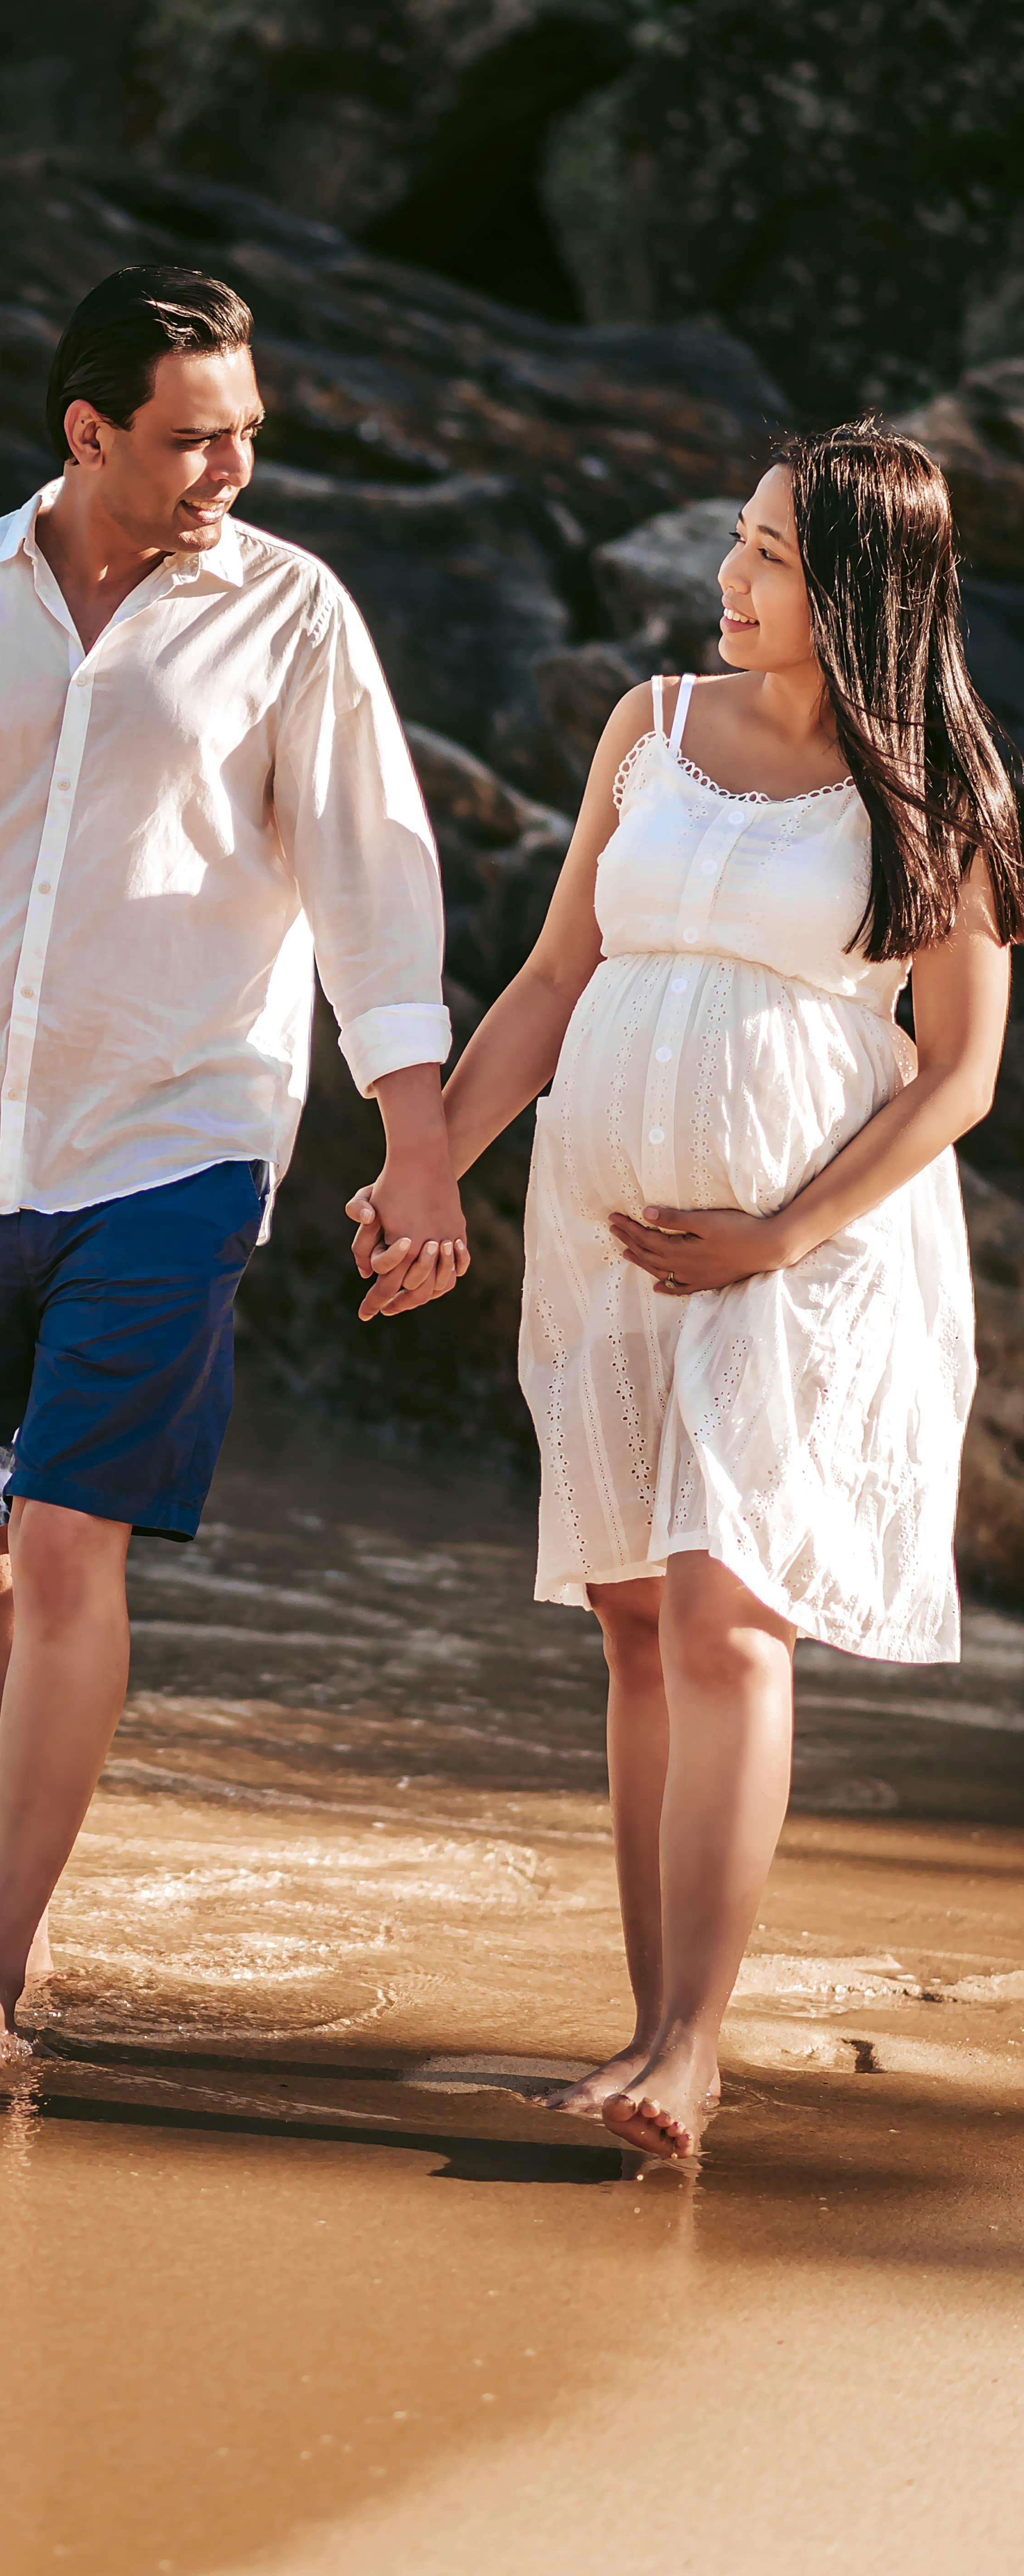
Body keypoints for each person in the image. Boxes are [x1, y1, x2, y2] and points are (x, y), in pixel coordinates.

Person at [0, 263, 469, 2072]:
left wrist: (416, 1138)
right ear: (85, 430)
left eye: (246, 436)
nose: (231, 469)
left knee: (65, 1541)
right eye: (194, 437)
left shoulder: (291, 618)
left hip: (176, 1136)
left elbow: (375, 885)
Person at [355, 420, 1022, 2162]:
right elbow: (560, 969)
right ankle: (649, 2023)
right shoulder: (648, 730)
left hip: (808, 1255)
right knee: (636, 1623)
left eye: (775, 557)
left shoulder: (943, 799)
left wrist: (781, 1234)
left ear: (865, 587)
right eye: (738, 541)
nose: (728, 580)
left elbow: (954, 1075)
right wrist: (434, 1161)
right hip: (605, 1226)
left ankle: (690, 2044)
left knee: (730, 1614)